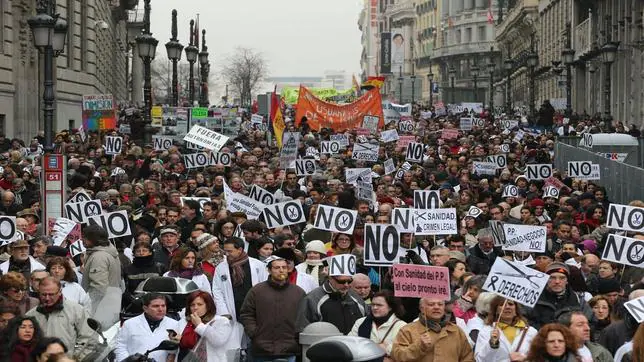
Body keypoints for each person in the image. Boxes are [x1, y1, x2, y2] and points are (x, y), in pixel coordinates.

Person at [240, 256, 305, 362]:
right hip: (262, 349)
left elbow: (304, 316)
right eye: (277, 267)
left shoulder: (298, 292)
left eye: (284, 267)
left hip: (289, 349)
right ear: (269, 270)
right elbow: (246, 314)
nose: (281, 270)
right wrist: (254, 333)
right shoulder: (257, 291)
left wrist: (297, 336)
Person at [211, 237, 267, 352]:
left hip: (253, 311)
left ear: (240, 249)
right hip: (232, 312)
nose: (226, 254)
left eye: (230, 251)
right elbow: (217, 292)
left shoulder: (257, 265)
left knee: (254, 344)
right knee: (236, 347)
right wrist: (224, 312)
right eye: (225, 251)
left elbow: (264, 288)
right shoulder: (221, 268)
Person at [26, 277, 97, 359]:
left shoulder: (76, 310)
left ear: (60, 292)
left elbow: (89, 339)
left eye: (51, 294)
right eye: (44, 294)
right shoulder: (31, 315)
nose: (47, 298)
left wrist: (75, 359)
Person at [391, 297, 474, 362]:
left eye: (440, 304)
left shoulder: (456, 331)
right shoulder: (408, 330)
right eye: (431, 304)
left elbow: (467, 357)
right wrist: (419, 347)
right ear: (422, 308)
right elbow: (398, 356)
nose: (436, 307)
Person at [296, 259, 367, 335]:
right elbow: (302, 329)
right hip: (324, 345)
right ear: (330, 278)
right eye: (341, 282)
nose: (346, 285)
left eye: (349, 281)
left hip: (352, 344)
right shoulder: (312, 299)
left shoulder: (355, 298)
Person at [524, 262, 591, 329]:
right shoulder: (532, 297)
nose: (557, 281)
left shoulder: (579, 300)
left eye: (562, 278)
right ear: (546, 279)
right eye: (552, 277)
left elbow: (589, 323)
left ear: (567, 280)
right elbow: (524, 320)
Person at [114, 293, 178, 362]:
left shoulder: (174, 324)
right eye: (156, 306)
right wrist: (126, 360)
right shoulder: (130, 324)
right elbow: (120, 346)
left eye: (163, 306)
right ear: (145, 308)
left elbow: (176, 350)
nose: (160, 309)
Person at [80, 224, 121, 329]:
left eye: (84, 237)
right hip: (110, 304)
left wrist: (90, 310)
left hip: (100, 309)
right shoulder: (108, 253)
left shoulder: (99, 257)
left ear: (93, 239)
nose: (81, 239)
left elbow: (99, 287)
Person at [171, 291, 232, 362]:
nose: (195, 308)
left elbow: (218, 341)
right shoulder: (183, 322)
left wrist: (199, 325)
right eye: (192, 305)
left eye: (200, 304)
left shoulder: (221, 321)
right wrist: (174, 340)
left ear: (208, 306)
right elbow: (174, 348)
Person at [474, 296, 537, 362]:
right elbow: (479, 359)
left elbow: (539, 357)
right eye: (502, 304)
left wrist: (524, 359)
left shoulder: (531, 332)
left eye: (510, 304)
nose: (507, 307)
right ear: (496, 310)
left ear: (516, 310)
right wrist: (492, 345)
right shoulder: (486, 331)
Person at [349, 290, 407, 361]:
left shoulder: (401, 326)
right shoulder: (361, 322)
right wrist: (376, 347)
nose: (375, 308)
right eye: (373, 304)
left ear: (390, 307)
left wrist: (387, 349)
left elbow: (405, 352)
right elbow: (350, 344)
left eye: (379, 305)